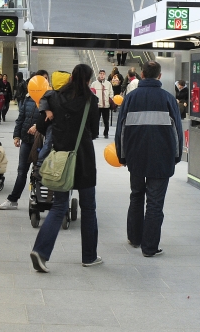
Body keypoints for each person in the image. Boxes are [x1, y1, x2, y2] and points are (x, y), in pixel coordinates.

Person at [29, 63, 101, 273]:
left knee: (59, 206)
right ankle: (89, 256)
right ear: (87, 80)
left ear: (71, 78)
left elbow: (42, 123)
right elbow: (95, 131)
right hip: (84, 160)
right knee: (88, 209)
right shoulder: (91, 101)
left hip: (60, 159)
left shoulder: (55, 98)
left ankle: (41, 251)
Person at [115, 61, 183, 257]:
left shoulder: (130, 98)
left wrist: (122, 154)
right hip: (162, 158)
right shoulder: (169, 99)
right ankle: (150, 247)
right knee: (154, 202)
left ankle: (135, 238)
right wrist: (176, 156)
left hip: (135, 157)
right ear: (159, 76)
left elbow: (121, 129)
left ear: (142, 75)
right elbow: (177, 131)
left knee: (136, 195)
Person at [0, 88, 40, 210]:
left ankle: (42, 200)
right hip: (26, 140)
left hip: (41, 143)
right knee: (21, 172)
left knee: (40, 173)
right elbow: (21, 118)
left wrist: (39, 126)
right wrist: (17, 136)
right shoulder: (28, 99)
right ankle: (13, 200)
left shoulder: (50, 100)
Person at [91, 69, 114, 139]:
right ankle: (96, 133)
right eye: (100, 73)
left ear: (105, 75)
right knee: (96, 120)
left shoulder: (108, 84)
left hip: (106, 105)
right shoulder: (94, 84)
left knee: (106, 120)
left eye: (103, 74)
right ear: (98, 74)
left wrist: (110, 100)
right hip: (97, 105)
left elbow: (111, 93)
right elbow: (92, 93)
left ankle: (106, 133)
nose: (102, 75)